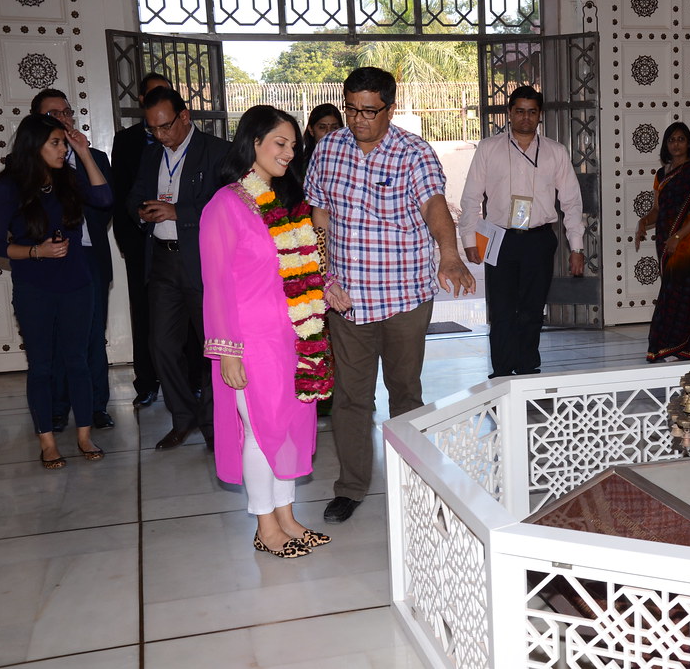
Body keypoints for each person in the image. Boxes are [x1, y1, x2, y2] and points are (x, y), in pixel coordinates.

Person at [304, 66, 475, 524]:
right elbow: (319, 213)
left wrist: (449, 254)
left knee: (405, 394)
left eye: (369, 111)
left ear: (390, 109)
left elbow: (434, 205)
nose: (358, 119)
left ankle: (416, 481)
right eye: (351, 109)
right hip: (348, 301)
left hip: (404, 298)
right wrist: (322, 274)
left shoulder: (413, 153)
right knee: (351, 397)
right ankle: (352, 487)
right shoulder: (328, 149)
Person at [200, 105, 333, 558]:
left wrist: (326, 289)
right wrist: (228, 351)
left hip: (293, 335)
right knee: (260, 430)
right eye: (280, 142)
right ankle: (264, 525)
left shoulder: (284, 202)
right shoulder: (225, 205)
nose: (289, 152)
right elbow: (216, 285)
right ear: (253, 143)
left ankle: (287, 516)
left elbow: (301, 268)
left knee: (293, 426)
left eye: (294, 145)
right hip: (250, 340)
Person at [0, 114, 110, 468]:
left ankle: (84, 436)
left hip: (77, 284)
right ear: (33, 146)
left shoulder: (67, 178)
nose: (62, 149)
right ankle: (48, 442)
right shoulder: (8, 187)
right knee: (41, 366)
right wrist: (36, 251)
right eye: (55, 143)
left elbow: (103, 197)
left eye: (63, 142)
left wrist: (84, 154)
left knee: (78, 362)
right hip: (35, 287)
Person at [127, 87, 230, 449]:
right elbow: (135, 194)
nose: (159, 135)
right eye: (152, 129)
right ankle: (182, 417)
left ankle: (214, 424)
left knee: (212, 347)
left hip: (203, 262)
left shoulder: (217, 152)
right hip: (163, 261)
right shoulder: (152, 154)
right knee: (162, 345)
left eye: (165, 126)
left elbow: (228, 207)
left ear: (185, 116)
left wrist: (177, 212)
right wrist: (141, 211)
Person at [459, 85, 585, 379]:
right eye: (519, 111)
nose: (525, 118)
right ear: (509, 113)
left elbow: (571, 201)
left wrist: (576, 247)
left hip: (539, 240)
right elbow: (470, 197)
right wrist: (468, 238)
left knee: (531, 309)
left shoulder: (555, 151)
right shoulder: (489, 148)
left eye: (531, 112)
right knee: (502, 310)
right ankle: (502, 371)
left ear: (539, 115)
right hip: (499, 239)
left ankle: (528, 368)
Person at [30, 89, 115, 432]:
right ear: (37, 119)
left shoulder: (92, 156)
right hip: (49, 263)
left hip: (89, 257)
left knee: (92, 336)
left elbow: (105, 204)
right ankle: (57, 408)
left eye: (66, 112)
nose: (63, 119)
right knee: (54, 339)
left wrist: (80, 156)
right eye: (53, 113)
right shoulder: (31, 163)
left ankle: (95, 407)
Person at [635, 122, 690, 362]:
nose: (676, 144)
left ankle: (669, 344)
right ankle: (684, 344)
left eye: (681, 139)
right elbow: (658, 209)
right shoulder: (662, 174)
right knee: (671, 289)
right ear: (666, 144)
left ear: (689, 144)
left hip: (689, 241)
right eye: (672, 139)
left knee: (679, 291)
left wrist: (678, 236)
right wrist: (644, 220)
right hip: (665, 239)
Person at [111, 72, 172, 409]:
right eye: (152, 94)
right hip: (140, 244)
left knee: (185, 316)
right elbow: (122, 194)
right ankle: (147, 383)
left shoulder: (187, 140)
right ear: (141, 102)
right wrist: (130, 238)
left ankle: (191, 380)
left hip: (178, 244)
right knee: (145, 315)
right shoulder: (128, 141)